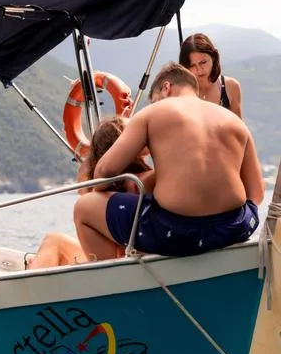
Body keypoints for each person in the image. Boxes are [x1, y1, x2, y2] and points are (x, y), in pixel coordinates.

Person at [73, 62, 263, 260]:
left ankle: (116, 276)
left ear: (166, 88)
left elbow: (104, 172)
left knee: (84, 207)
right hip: (235, 227)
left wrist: (106, 194)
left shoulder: (153, 113)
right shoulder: (235, 122)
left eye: (155, 100)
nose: (155, 105)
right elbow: (256, 194)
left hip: (175, 234)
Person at [27, 116, 154, 269]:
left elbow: (84, 184)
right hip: (129, 261)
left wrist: (98, 155)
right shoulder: (146, 180)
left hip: (117, 262)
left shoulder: (101, 192)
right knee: (54, 240)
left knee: (54, 241)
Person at [179, 32, 242, 117]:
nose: (199, 69)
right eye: (192, 65)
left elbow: (238, 124)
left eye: (203, 62)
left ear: (213, 57)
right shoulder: (180, 92)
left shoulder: (231, 87)